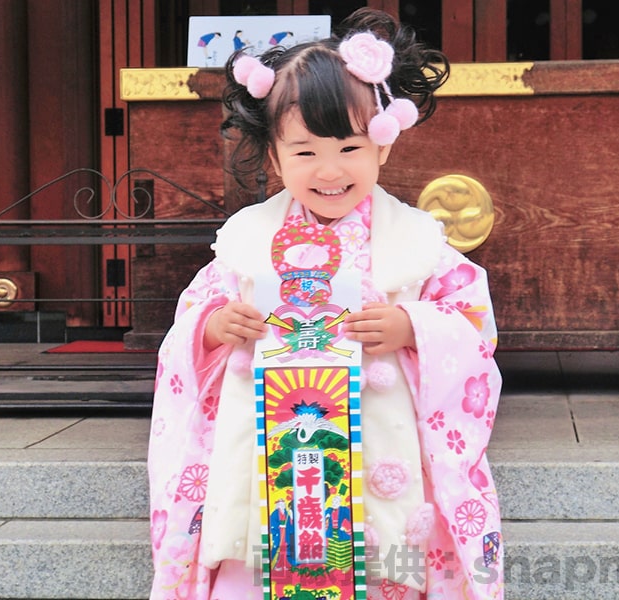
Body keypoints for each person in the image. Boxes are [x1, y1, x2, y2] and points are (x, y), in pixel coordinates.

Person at [148, 8, 503, 600]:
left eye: (349, 147)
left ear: (383, 147)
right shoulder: (243, 245)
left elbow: (474, 328)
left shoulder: (419, 246)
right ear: (274, 157)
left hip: (378, 462)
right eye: (306, 153)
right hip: (268, 464)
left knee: (381, 559)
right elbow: (187, 333)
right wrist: (213, 327)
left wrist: (413, 325)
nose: (330, 170)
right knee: (264, 563)